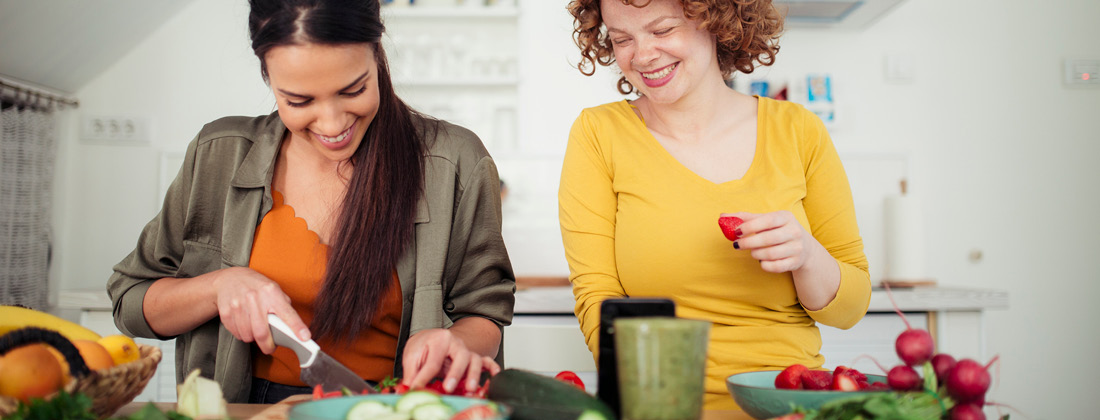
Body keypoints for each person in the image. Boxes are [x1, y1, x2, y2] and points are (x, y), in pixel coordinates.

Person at [107, 0, 515, 404]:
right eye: (299, 101)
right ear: (267, 75)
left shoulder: (455, 161)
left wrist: (453, 341)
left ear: (377, 53)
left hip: (398, 406)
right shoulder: (218, 154)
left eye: (353, 89)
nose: (333, 124)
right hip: (251, 407)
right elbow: (130, 301)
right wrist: (218, 286)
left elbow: (485, 313)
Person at [560, 0, 871, 409]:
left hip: (785, 405)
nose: (642, 55)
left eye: (662, 30)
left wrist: (807, 256)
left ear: (717, 22)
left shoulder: (799, 131)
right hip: (664, 405)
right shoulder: (599, 134)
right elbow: (597, 296)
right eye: (622, 39)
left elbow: (850, 309)